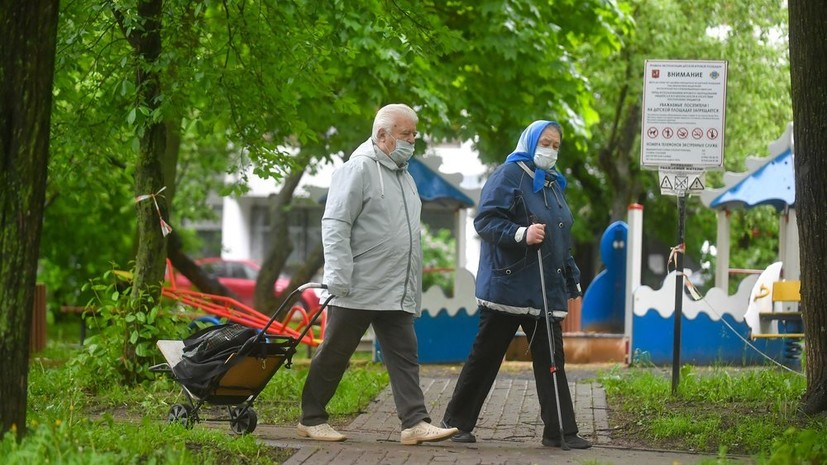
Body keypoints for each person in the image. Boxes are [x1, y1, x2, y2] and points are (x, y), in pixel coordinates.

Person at [297, 103, 458, 445]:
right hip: (358, 284)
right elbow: (335, 223)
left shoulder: (405, 177)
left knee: (405, 355)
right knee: (336, 353)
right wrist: (339, 275)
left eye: (414, 134)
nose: (412, 141)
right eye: (405, 134)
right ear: (382, 135)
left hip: (394, 287)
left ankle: (415, 422)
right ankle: (311, 418)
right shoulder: (357, 170)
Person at [440, 120, 592, 449]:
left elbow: (560, 238)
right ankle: (455, 425)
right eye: (545, 143)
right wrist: (522, 233)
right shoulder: (508, 175)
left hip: (543, 289)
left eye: (555, 145)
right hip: (507, 288)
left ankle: (561, 431)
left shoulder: (552, 183)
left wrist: (570, 277)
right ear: (530, 142)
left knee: (552, 360)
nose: (550, 150)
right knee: (486, 357)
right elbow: (485, 220)